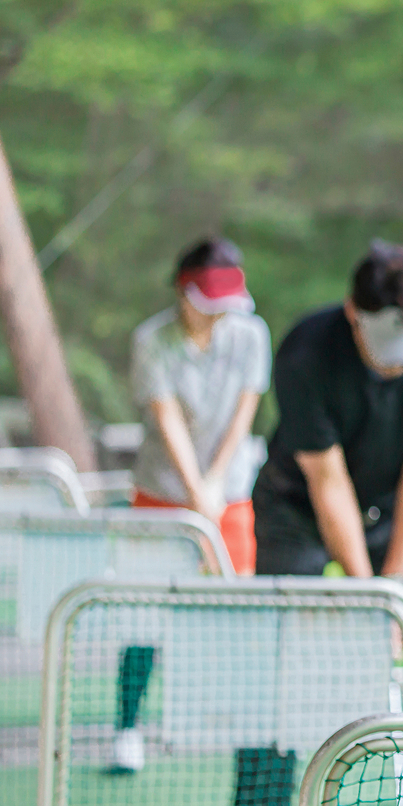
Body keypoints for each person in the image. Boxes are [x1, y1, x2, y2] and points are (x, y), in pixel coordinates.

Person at [251, 241, 403, 703]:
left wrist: (393, 584)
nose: (396, 364)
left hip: (397, 511)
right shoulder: (306, 351)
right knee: (274, 659)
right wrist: (371, 597)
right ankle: (265, 779)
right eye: (387, 347)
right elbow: (327, 483)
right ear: (354, 311)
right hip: (296, 512)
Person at [129, 237, 270, 575]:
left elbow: (243, 414)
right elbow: (168, 419)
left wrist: (214, 484)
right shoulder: (152, 340)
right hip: (162, 489)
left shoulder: (251, 335)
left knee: (234, 595)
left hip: (228, 492)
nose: (217, 314)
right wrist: (195, 492)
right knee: (150, 596)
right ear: (183, 293)